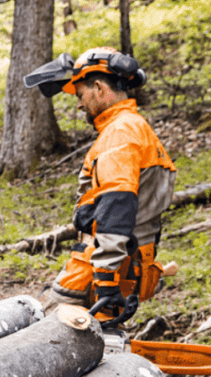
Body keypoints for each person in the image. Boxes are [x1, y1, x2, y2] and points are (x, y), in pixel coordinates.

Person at [24, 47, 177, 315]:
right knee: (98, 342)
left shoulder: (121, 132)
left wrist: (105, 277)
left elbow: (118, 202)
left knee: (48, 333)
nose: (80, 104)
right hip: (124, 260)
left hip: (102, 265)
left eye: (81, 95)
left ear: (98, 87)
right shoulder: (133, 127)